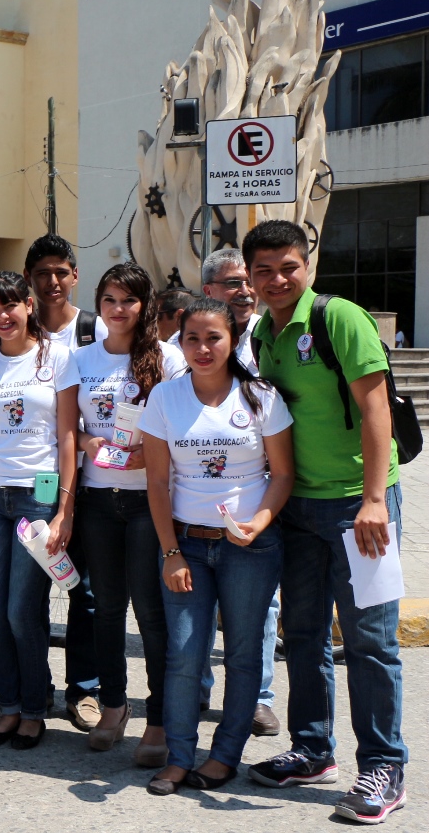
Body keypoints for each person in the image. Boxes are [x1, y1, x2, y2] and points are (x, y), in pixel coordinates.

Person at [245, 220, 409, 825]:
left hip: (359, 505)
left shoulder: (339, 318)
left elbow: (375, 406)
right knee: (305, 633)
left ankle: (384, 766)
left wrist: (372, 500)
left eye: (288, 266)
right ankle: (313, 749)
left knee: (370, 640)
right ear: (251, 278)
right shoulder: (264, 331)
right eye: (264, 270)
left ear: (308, 264)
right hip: (299, 508)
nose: (277, 279)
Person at [140, 297, 294, 796]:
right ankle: (180, 757)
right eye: (192, 338)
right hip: (187, 544)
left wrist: (260, 521)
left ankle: (225, 755)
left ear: (233, 341)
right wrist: (170, 552)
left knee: (245, 654)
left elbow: (283, 474)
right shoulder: (164, 398)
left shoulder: (260, 397)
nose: (203, 348)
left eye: (214, 338)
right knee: (184, 653)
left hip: (250, 547)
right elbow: (158, 484)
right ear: (178, 342)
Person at [0, 271, 78, 750]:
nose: (2, 316)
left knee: (21, 608)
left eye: (11, 306)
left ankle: (33, 707)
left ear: (29, 306)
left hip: (38, 494)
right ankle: (8, 706)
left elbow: (68, 436)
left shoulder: (58, 359)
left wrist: (65, 508)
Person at [71, 264, 185, 765]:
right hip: (98, 498)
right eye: (110, 300)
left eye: (129, 301)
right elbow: (65, 426)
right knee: (107, 609)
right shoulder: (81, 359)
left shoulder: (169, 359)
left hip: (147, 503)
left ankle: (158, 718)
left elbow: (184, 424)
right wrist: (86, 440)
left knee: (151, 615)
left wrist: (152, 455)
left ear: (146, 306)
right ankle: (114, 706)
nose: (118, 310)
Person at [198, 248, 278, 735]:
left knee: (261, 602)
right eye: (232, 283)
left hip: (260, 489)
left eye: (247, 281)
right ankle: (198, 688)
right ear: (209, 291)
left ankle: (258, 697)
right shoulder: (195, 337)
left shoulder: (271, 337)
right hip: (201, 494)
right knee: (203, 600)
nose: (245, 289)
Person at [23, 234, 101, 733]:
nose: (53, 281)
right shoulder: (15, 328)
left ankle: (85, 690)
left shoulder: (92, 331)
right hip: (33, 481)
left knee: (84, 589)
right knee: (26, 589)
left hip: (95, 482)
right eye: (42, 272)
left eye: (61, 271)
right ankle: (30, 689)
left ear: (74, 275)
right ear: (29, 277)